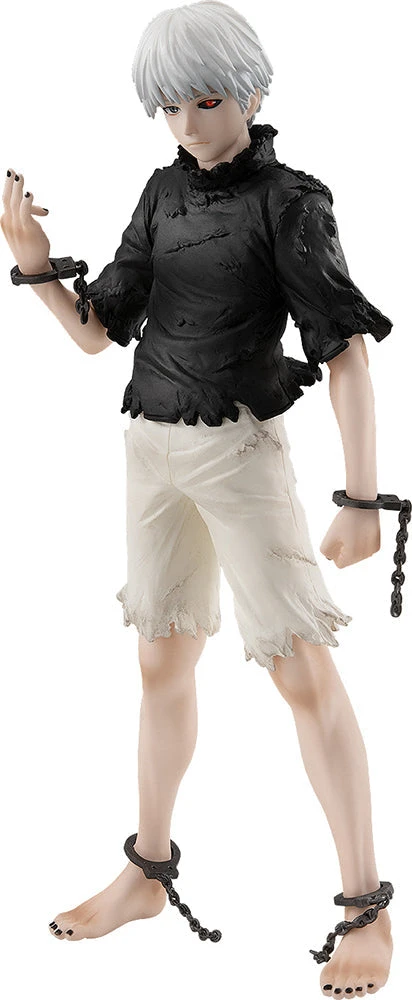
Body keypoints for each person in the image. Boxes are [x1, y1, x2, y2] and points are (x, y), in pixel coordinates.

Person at [1, 1, 395, 994]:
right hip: (150, 448)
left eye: (205, 101)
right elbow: (99, 332)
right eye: (169, 106)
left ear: (252, 92)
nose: (186, 123)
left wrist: (360, 497)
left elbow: (343, 352)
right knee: (159, 661)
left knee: (299, 668)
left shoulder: (290, 201)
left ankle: (367, 908)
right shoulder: (161, 190)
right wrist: (34, 262)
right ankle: (147, 872)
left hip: (238, 452)